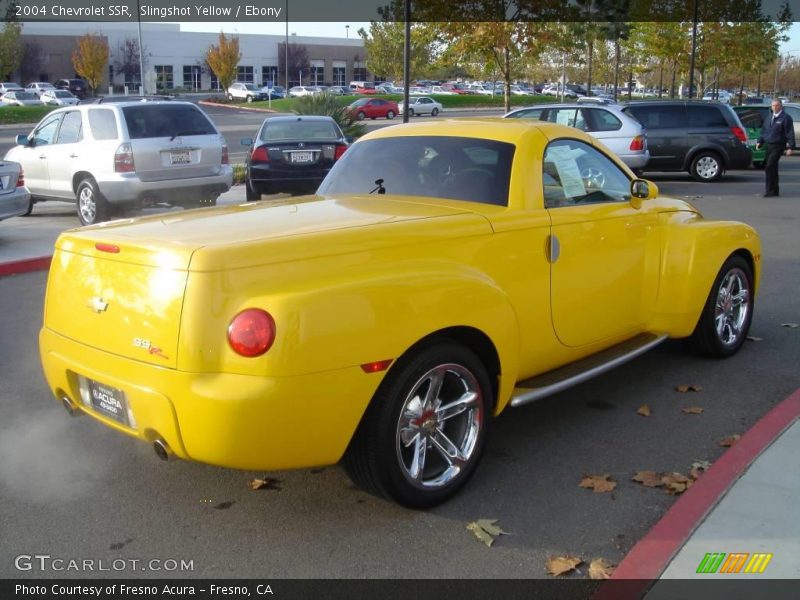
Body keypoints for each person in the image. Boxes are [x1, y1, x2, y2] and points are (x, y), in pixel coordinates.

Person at [756, 98, 795, 197]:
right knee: (773, 167)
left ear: (781, 106)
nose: (775, 107)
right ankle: (775, 190)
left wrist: (790, 147)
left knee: (769, 166)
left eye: (777, 105)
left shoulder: (786, 118)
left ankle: (769, 190)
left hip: (778, 145)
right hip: (769, 145)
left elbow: (790, 133)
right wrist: (760, 141)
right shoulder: (769, 117)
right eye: (773, 106)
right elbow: (764, 131)